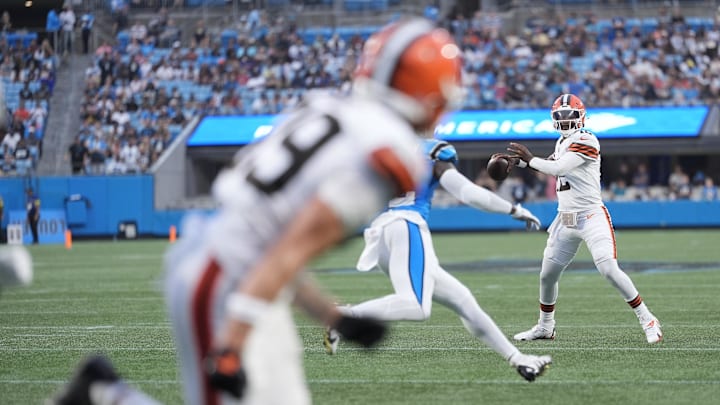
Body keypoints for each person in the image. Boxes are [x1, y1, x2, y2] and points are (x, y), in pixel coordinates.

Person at [51, 18, 464, 405]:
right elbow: (287, 249)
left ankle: (105, 391)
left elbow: (272, 242)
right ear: (430, 94)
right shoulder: (391, 151)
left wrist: (331, 316)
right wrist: (230, 343)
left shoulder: (327, 106)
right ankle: (108, 395)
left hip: (238, 271)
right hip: (224, 282)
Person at [322, 137, 552, 382]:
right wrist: (514, 210)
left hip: (384, 231)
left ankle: (519, 360)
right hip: (407, 225)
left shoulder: (386, 146)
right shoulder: (432, 151)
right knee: (416, 306)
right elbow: (468, 192)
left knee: (464, 301)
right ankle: (343, 317)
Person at [505, 93, 662, 344]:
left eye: (570, 116)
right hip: (565, 219)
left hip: (590, 216)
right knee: (547, 276)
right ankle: (546, 326)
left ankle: (648, 319)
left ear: (581, 117)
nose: (566, 121)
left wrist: (529, 158)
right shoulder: (562, 142)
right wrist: (519, 165)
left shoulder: (587, 139)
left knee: (608, 268)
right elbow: (549, 164)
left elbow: (558, 169)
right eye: (561, 117)